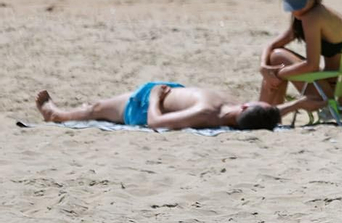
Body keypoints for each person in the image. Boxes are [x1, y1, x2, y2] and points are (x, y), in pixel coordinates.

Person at [259, 0, 342, 114]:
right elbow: (272, 45)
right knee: (275, 57)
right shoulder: (315, 13)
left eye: (300, 5)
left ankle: (261, 112)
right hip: (339, 89)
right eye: (293, 6)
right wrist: (263, 67)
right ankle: (264, 112)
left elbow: (311, 65)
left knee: (277, 59)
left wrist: (278, 74)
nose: (296, 11)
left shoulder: (313, 17)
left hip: (336, 95)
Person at [35, 85, 281, 132]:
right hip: (156, 95)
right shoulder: (233, 110)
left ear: (246, 107)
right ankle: (64, 113)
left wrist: (154, 98)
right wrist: (297, 104)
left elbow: (156, 122)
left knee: (96, 109)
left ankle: (57, 115)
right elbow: (271, 115)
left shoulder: (207, 113)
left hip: (141, 106)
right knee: (97, 107)